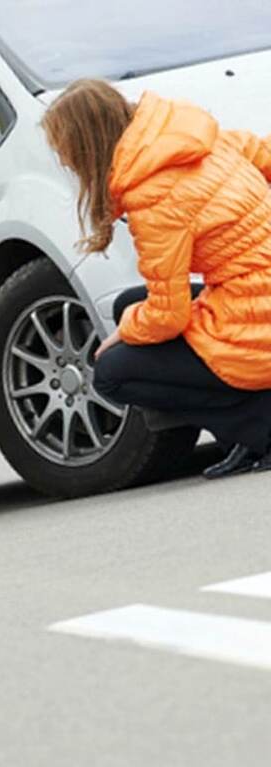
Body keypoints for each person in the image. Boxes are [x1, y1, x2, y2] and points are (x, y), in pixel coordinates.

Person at [41, 79, 271, 480]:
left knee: (112, 372)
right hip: (252, 295)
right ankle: (240, 434)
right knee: (126, 304)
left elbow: (169, 315)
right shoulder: (191, 137)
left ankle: (260, 428)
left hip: (258, 315)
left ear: (87, 145)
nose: (63, 161)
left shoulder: (153, 192)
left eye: (65, 150)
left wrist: (126, 331)